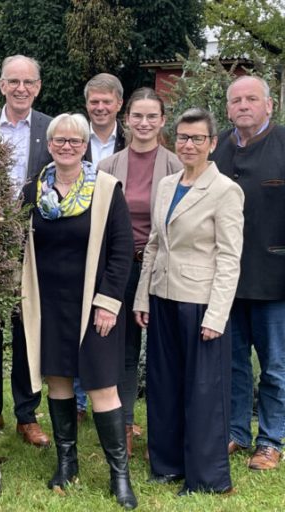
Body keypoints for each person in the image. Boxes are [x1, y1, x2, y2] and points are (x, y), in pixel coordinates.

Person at [21, 113, 136, 508]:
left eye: (75, 140)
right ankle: (66, 462)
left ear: (86, 145)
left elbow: (122, 252)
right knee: (59, 382)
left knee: (103, 387)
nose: (66, 146)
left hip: (93, 304)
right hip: (48, 305)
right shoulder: (32, 191)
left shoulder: (106, 190)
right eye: (59, 140)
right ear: (49, 144)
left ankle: (119, 475)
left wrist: (108, 302)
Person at [134, 108, 243, 494]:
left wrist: (217, 314)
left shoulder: (226, 191)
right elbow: (153, 244)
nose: (189, 144)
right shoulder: (166, 185)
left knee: (203, 391)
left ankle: (208, 478)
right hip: (163, 297)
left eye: (198, 138)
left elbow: (230, 259)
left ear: (213, 143)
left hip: (200, 304)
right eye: (183, 137)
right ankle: (166, 464)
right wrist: (142, 296)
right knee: (164, 385)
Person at [0, 55, 51, 446]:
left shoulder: (51, 130)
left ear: (38, 87)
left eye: (28, 82)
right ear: (1, 85)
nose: (21, 89)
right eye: (13, 81)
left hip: (34, 244)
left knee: (26, 329)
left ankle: (26, 413)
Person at [98, 87, 182, 457]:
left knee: (165, 352)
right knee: (126, 353)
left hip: (164, 271)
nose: (144, 123)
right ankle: (127, 424)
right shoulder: (108, 167)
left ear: (163, 121)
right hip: (122, 270)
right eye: (137, 116)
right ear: (126, 119)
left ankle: (164, 432)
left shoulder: (178, 167)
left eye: (152, 116)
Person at [213, 75, 285, 470]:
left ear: (269, 105)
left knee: (275, 366)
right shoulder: (217, 148)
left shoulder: (283, 143)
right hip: (227, 281)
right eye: (236, 100)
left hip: (274, 279)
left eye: (251, 99)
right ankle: (237, 432)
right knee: (233, 361)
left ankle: (270, 440)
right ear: (227, 109)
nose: (243, 105)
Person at [74, 72, 127, 421]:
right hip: (82, 245)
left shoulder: (133, 138)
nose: (100, 107)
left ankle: (116, 406)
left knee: (116, 332)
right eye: (94, 101)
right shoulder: (76, 137)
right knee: (80, 327)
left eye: (107, 101)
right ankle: (78, 403)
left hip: (118, 241)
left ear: (119, 104)